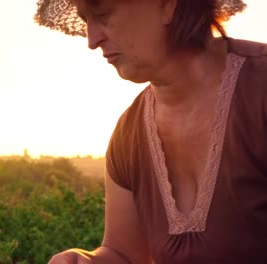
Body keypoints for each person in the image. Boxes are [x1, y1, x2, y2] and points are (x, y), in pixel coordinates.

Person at [34, 0, 267, 263]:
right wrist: (85, 260)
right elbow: (124, 254)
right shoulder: (128, 134)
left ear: (168, 5)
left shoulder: (260, 89)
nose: (92, 39)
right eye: (86, 20)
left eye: (102, 15)